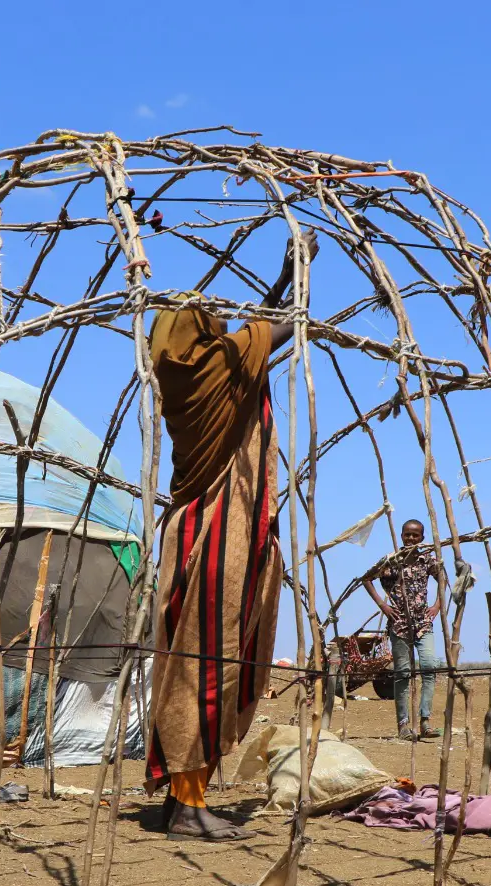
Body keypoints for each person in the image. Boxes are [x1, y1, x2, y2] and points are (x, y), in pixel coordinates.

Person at [145, 232, 317, 841]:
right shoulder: (218, 366)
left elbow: (253, 339)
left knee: (188, 663)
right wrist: (295, 274)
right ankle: (189, 807)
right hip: (220, 536)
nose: (222, 322)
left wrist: (276, 283)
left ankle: (180, 796)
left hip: (187, 534)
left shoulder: (184, 375)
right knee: (204, 663)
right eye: (211, 318)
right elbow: (272, 332)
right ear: (200, 334)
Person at [363, 519, 445, 740]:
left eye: (415, 535)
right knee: (403, 673)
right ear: (401, 536)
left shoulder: (427, 558)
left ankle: (425, 721)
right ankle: (403, 725)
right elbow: (366, 578)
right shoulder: (391, 561)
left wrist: (438, 604)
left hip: (423, 623)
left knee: (429, 666)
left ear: (422, 538)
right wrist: (383, 605)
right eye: (407, 535)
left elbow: (443, 577)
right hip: (399, 623)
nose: (411, 539)